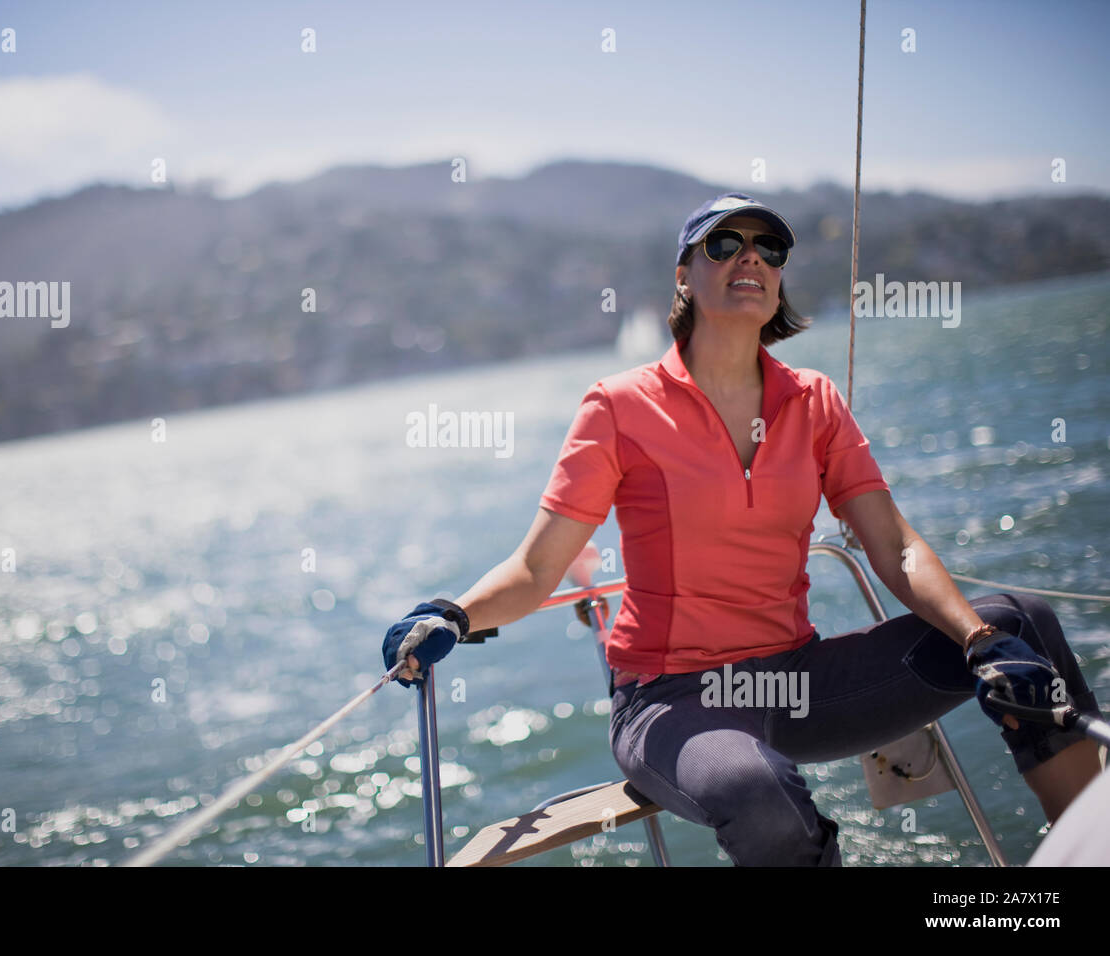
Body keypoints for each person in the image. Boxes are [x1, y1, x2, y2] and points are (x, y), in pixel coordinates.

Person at [381, 192, 1104, 866]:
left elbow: (895, 545)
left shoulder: (815, 400)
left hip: (796, 681)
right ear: (685, 276)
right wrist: (453, 614)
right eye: (723, 245)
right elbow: (538, 570)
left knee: (1025, 625)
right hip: (671, 700)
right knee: (761, 795)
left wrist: (980, 643)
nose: (749, 258)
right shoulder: (618, 408)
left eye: (769, 247)